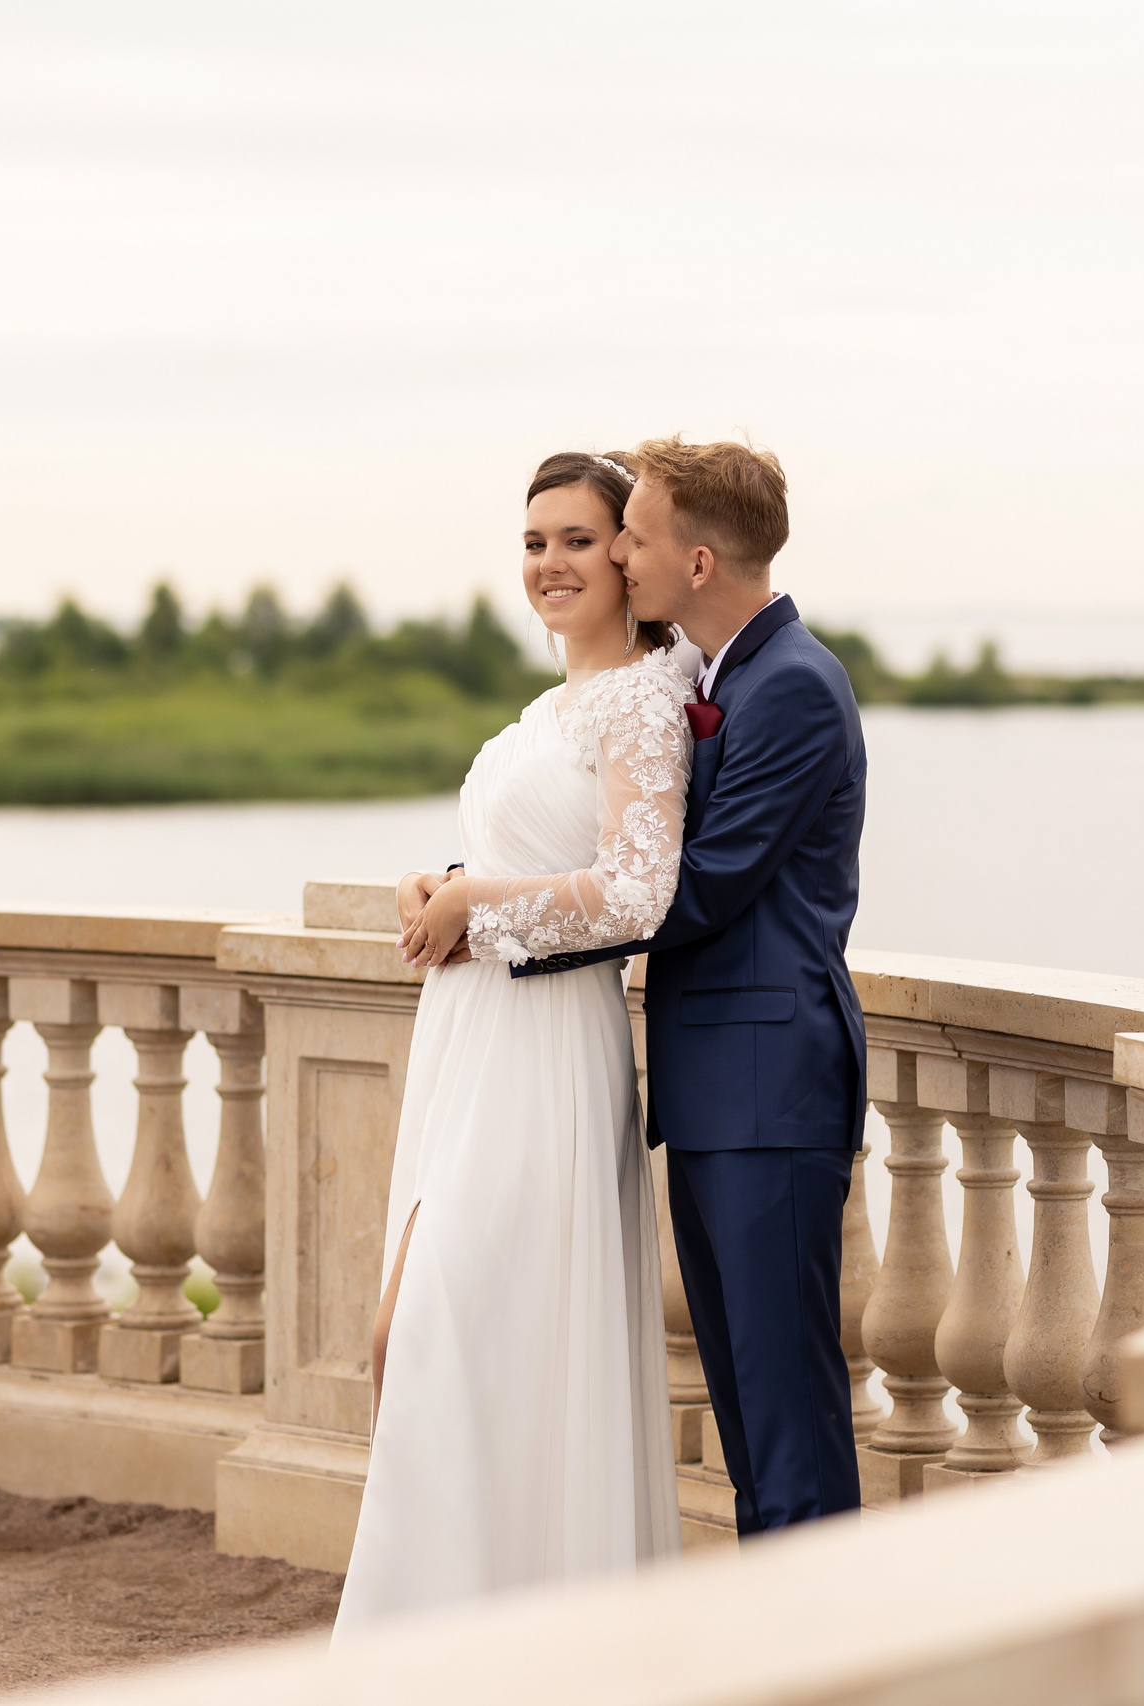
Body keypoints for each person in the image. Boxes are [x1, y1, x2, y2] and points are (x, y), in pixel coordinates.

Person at [411, 437, 869, 1541]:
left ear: (696, 560)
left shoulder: (795, 685)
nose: (617, 549)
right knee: (751, 1425)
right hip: (715, 1093)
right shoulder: (718, 677)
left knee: (788, 1423)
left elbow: (685, 890)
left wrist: (484, 909)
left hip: (772, 1092)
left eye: (633, 533)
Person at [331, 451, 690, 1637]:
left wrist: (474, 907)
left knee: (446, 1334)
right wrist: (434, 881)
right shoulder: (546, 711)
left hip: (545, 1052)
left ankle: (508, 1639)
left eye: (579, 540)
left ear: (627, 556)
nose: (550, 563)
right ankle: (452, 1634)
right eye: (534, 541)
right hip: (468, 1046)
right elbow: (523, 854)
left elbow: (639, 890)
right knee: (410, 1339)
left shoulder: (648, 695)